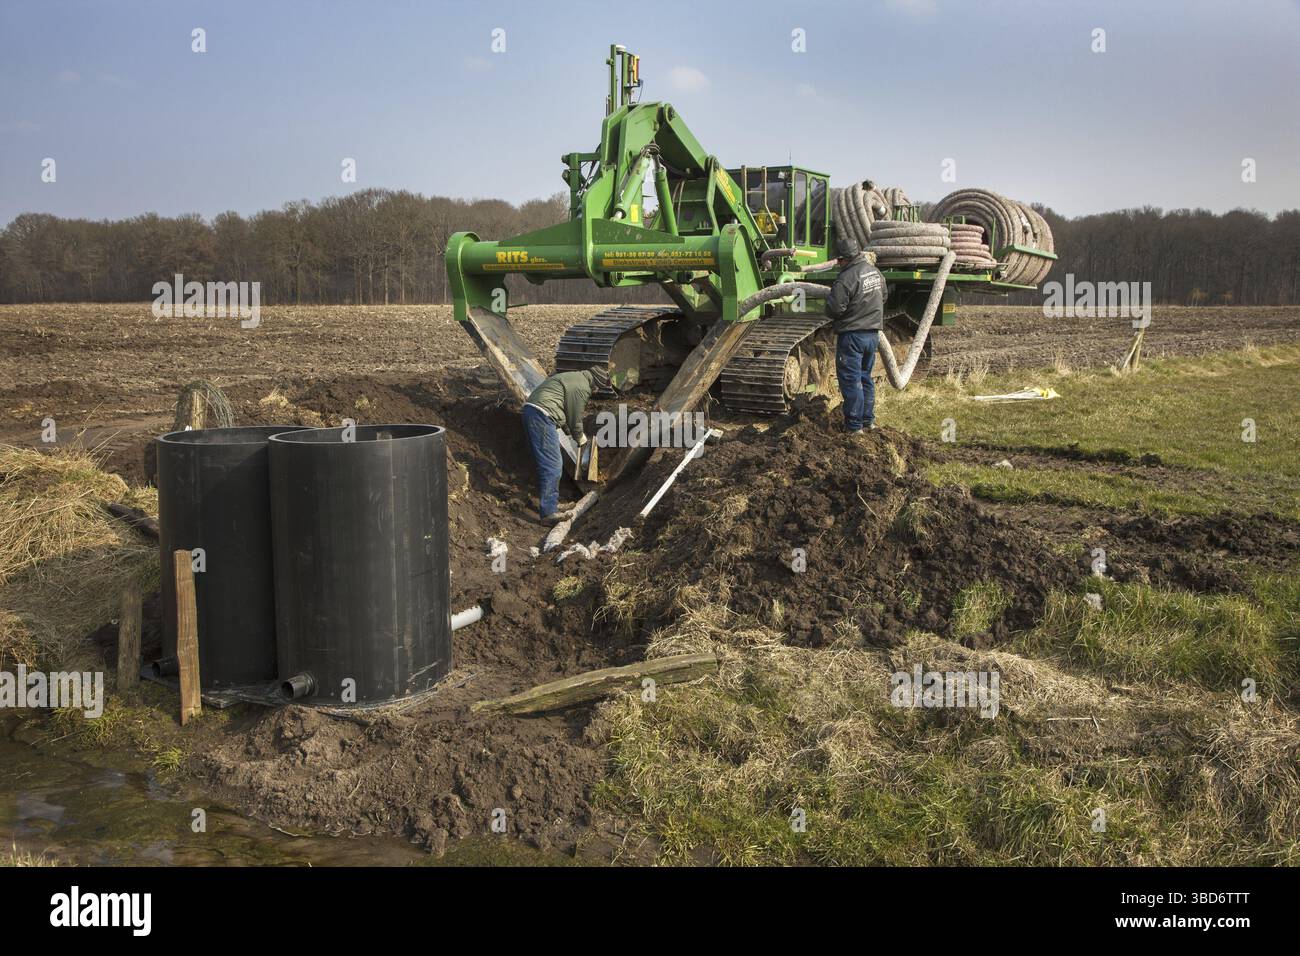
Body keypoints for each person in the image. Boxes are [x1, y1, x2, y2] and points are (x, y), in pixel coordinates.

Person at [521, 364, 611, 523]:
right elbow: (574, 417)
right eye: (598, 388)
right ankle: (548, 513)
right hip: (543, 416)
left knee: (548, 463)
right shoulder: (583, 387)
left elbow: (563, 409)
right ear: (596, 384)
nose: (595, 392)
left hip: (534, 411)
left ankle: (551, 504)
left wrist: (570, 434)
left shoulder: (574, 376)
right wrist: (581, 439)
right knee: (553, 465)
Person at [825, 234, 887, 436]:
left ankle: (854, 427)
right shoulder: (875, 273)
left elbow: (835, 309)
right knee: (865, 378)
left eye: (839, 260)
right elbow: (883, 296)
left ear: (844, 259)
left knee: (851, 381)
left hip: (852, 336)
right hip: (872, 335)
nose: (839, 264)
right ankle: (868, 421)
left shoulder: (846, 277)